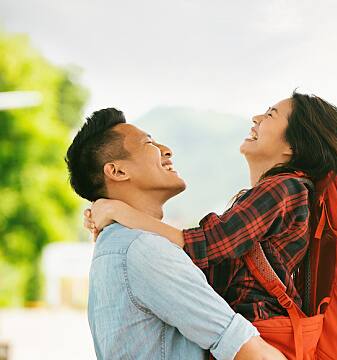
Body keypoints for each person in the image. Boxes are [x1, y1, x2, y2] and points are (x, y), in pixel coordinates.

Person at [87, 92, 337, 326]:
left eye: (270, 114)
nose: (256, 117)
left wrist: (121, 212)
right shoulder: (275, 193)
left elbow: (205, 244)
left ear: (293, 147)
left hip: (259, 332)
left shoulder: (284, 190)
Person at [66, 108, 285, 360]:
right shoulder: (143, 248)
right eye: (149, 143)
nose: (166, 149)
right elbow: (243, 348)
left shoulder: (116, 243)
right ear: (117, 172)